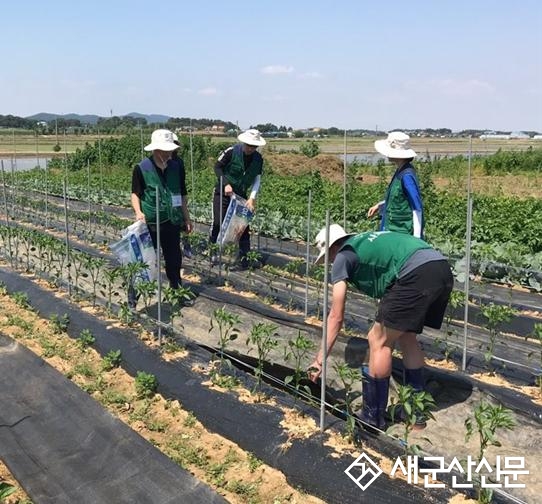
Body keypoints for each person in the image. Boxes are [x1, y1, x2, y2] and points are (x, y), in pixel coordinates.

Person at [308, 224, 453, 430]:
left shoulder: (342, 256)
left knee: (378, 340)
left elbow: (336, 316)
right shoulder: (365, 240)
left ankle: (372, 418)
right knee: (407, 336)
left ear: (332, 247)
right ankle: (415, 413)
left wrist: (319, 360)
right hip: (440, 268)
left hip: (414, 273)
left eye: (328, 257)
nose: (330, 261)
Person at [130, 129, 193, 306]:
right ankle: (132, 298)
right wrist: (138, 212)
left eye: (169, 150)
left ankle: (177, 293)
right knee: (144, 259)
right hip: (150, 220)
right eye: (164, 150)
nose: (168, 153)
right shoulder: (142, 168)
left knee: (174, 259)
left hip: (172, 220)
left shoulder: (177, 166)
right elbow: (135, 193)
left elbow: (182, 194)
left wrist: (186, 218)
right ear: (155, 150)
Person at [209, 128, 266, 269]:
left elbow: (257, 179)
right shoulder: (231, 151)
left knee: (242, 226)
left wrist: (252, 198)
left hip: (241, 196)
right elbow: (217, 167)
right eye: (248, 145)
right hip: (223, 194)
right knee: (219, 222)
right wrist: (226, 183)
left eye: (253, 146)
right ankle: (214, 254)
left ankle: (245, 258)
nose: (250, 148)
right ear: (243, 142)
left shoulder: (258, 159)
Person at [367, 131, 424, 238]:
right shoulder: (400, 171)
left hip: (401, 232)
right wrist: (380, 206)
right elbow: (399, 199)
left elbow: (417, 207)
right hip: (393, 229)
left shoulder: (407, 176)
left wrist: (417, 238)